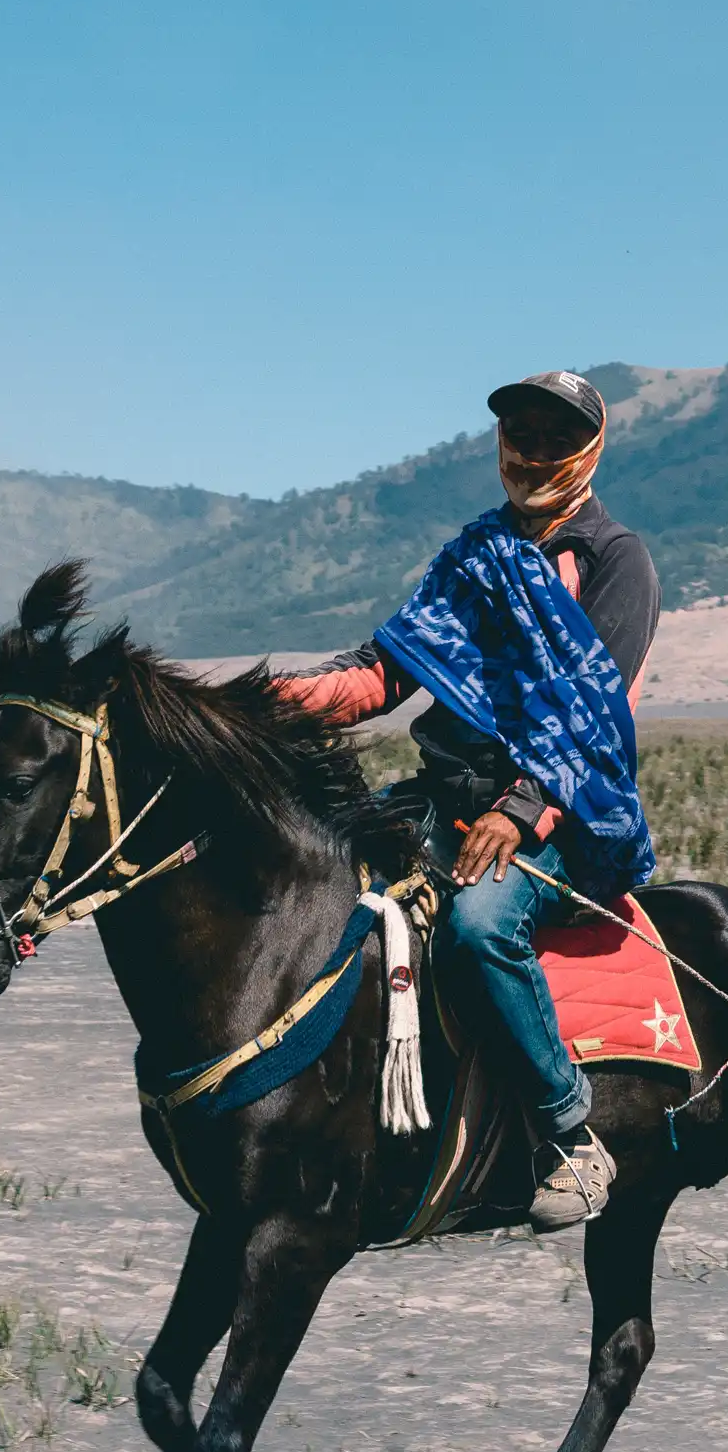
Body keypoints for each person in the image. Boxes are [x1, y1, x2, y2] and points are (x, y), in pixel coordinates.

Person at [277, 370, 659, 1231]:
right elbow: (383, 674)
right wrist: (267, 700)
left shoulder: (615, 560)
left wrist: (521, 809)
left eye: (557, 439)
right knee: (316, 871)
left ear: (591, 449)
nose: (536, 455)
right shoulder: (475, 555)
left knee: (482, 926)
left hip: (565, 813)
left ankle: (570, 1132)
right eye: (522, 436)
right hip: (446, 795)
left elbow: (595, 719)